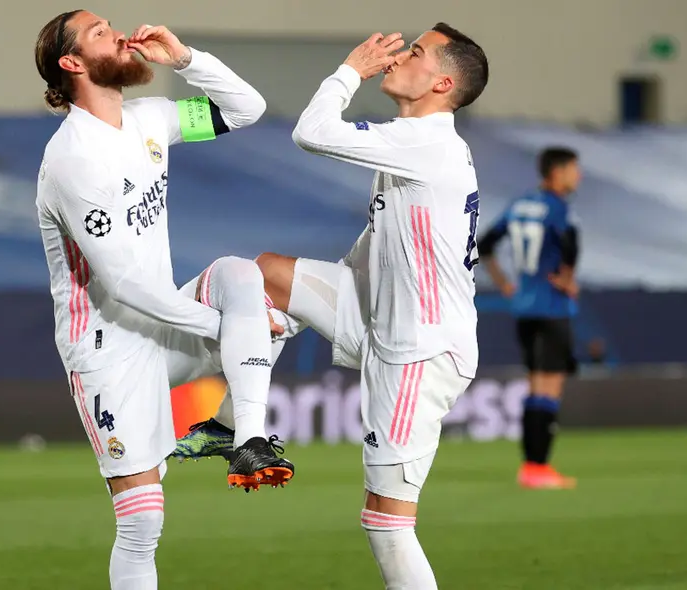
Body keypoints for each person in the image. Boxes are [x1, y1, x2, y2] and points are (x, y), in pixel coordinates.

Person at [178, 24, 489, 590]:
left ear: (443, 82)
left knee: (386, 524)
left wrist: (351, 69)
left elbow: (311, 131)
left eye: (415, 52)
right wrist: (309, 303)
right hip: (376, 309)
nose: (398, 55)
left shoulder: (426, 142)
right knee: (267, 276)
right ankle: (230, 428)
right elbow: (383, 241)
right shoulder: (415, 140)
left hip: (417, 357)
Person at [34, 10, 291, 589]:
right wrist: (226, 329)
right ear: (73, 63)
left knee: (240, 276)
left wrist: (186, 60)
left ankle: (244, 435)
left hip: (166, 326)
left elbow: (247, 108)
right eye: (100, 31)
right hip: (107, 349)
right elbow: (125, 285)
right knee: (143, 520)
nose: (119, 33)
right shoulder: (73, 159)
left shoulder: (151, 119)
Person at [477, 146, 581, 490]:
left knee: (536, 383)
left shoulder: (520, 204)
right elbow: (569, 243)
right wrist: (567, 277)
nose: (577, 176)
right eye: (573, 170)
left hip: (524, 305)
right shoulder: (558, 208)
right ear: (557, 172)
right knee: (549, 387)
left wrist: (505, 283)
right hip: (551, 306)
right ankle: (538, 466)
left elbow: (486, 243)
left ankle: (532, 465)